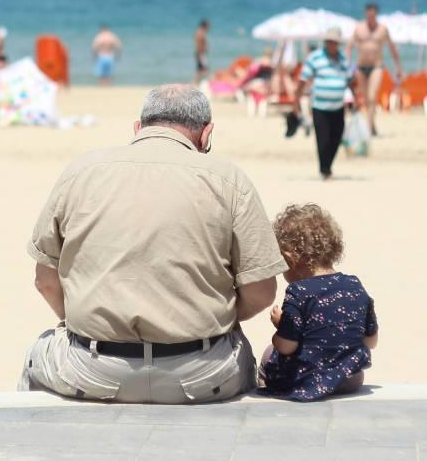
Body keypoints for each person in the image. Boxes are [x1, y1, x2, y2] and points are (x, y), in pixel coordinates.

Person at [20, 84, 286, 404]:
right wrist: (211, 318)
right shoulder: (229, 179)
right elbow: (261, 292)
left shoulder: (82, 171)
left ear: (138, 129)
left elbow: (44, 281)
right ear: (207, 135)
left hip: (93, 370)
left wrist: (84, 322)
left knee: (37, 353)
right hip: (202, 373)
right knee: (246, 356)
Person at [258, 204, 378, 402]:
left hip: (309, 376)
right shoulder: (354, 285)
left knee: (270, 353)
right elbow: (370, 342)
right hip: (351, 378)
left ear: (289, 258)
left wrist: (281, 327)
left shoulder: (299, 291)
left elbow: (287, 346)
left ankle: (266, 382)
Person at [294, 28, 351, 180]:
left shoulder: (343, 59)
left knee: (336, 138)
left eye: (334, 42)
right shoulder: (315, 58)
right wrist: (296, 101)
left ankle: (327, 167)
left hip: (338, 106)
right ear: (326, 42)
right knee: (323, 139)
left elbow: (350, 80)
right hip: (320, 106)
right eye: (329, 41)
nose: (331, 44)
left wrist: (356, 98)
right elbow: (303, 79)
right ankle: (325, 170)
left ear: (338, 43)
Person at [346, 3, 403, 136]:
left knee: (372, 97)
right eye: (368, 14)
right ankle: (372, 126)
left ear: (376, 14)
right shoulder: (359, 28)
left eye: (373, 14)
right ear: (366, 14)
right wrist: (347, 63)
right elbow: (349, 46)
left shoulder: (382, 30)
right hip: (361, 67)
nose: (370, 16)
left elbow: (392, 48)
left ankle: (368, 128)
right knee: (366, 99)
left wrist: (398, 67)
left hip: (376, 67)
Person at [194, 19, 210, 83]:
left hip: (200, 53)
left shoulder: (199, 32)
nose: (209, 28)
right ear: (205, 26)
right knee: (203, 70)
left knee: (201, 70)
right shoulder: (201, 33)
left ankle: (197, 83)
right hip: (201, 53)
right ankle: (197, 83)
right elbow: (199, 45)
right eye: (208, 26)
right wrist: (201, 54)